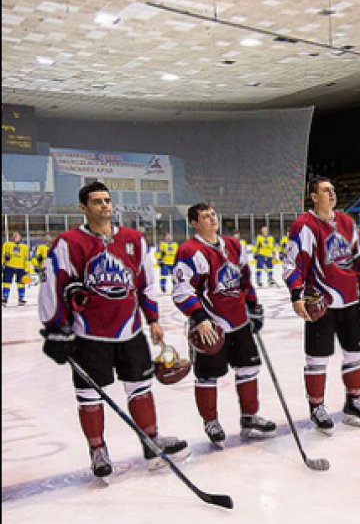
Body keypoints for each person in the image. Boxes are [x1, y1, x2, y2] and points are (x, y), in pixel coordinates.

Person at [39, 182, 189, 478]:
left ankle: (151, 442)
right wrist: (56, 328)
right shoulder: (68, 243)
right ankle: (98, 450)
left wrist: (153, 319)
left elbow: (146, 283)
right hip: (89, 334)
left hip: (130, 330)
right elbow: (53, 285)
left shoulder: (134, 239)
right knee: (89, 395)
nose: (105, 206)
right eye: (97, 201)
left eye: (107, 200)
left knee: (140, 387)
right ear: (83, 208)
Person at [173, 204, 276, 444]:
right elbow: (182, 290)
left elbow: (245, 279)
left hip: (239, 321)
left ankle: (249, 417)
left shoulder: (234, 245)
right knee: (207, 376)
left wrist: (253, 306)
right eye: (205, 217)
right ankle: (211, 421)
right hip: (211, 325)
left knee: (248, 369)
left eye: (213, 215)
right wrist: (199, 317)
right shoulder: (190, 251)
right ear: (194, 224)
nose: (212, 219)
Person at [284, 178, 360, 433]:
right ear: (313, 197)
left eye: (333, 190)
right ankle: (317, 407)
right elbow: (293, 263)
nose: (332, 193)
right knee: (317, 357)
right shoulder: (304, 225)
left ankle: (353, 402)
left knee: (355, 353)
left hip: (350, 300)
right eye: (325, 190)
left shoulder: (346, 222)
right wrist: (296, 294)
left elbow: (359, 259)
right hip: (321, 301)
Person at [2, 232, 30, 307]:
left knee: (21, 283)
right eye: (13, 235)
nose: (15, 237)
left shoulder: (25, 247)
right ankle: (5, 298)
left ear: (20, 237)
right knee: (6, 282)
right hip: (9, 266)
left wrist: (27, 269)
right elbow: (3, 255)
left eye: (17, 235)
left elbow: (26, 259)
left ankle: (21, 298)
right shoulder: (6, 244)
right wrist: (3, 262)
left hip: (20, 267)